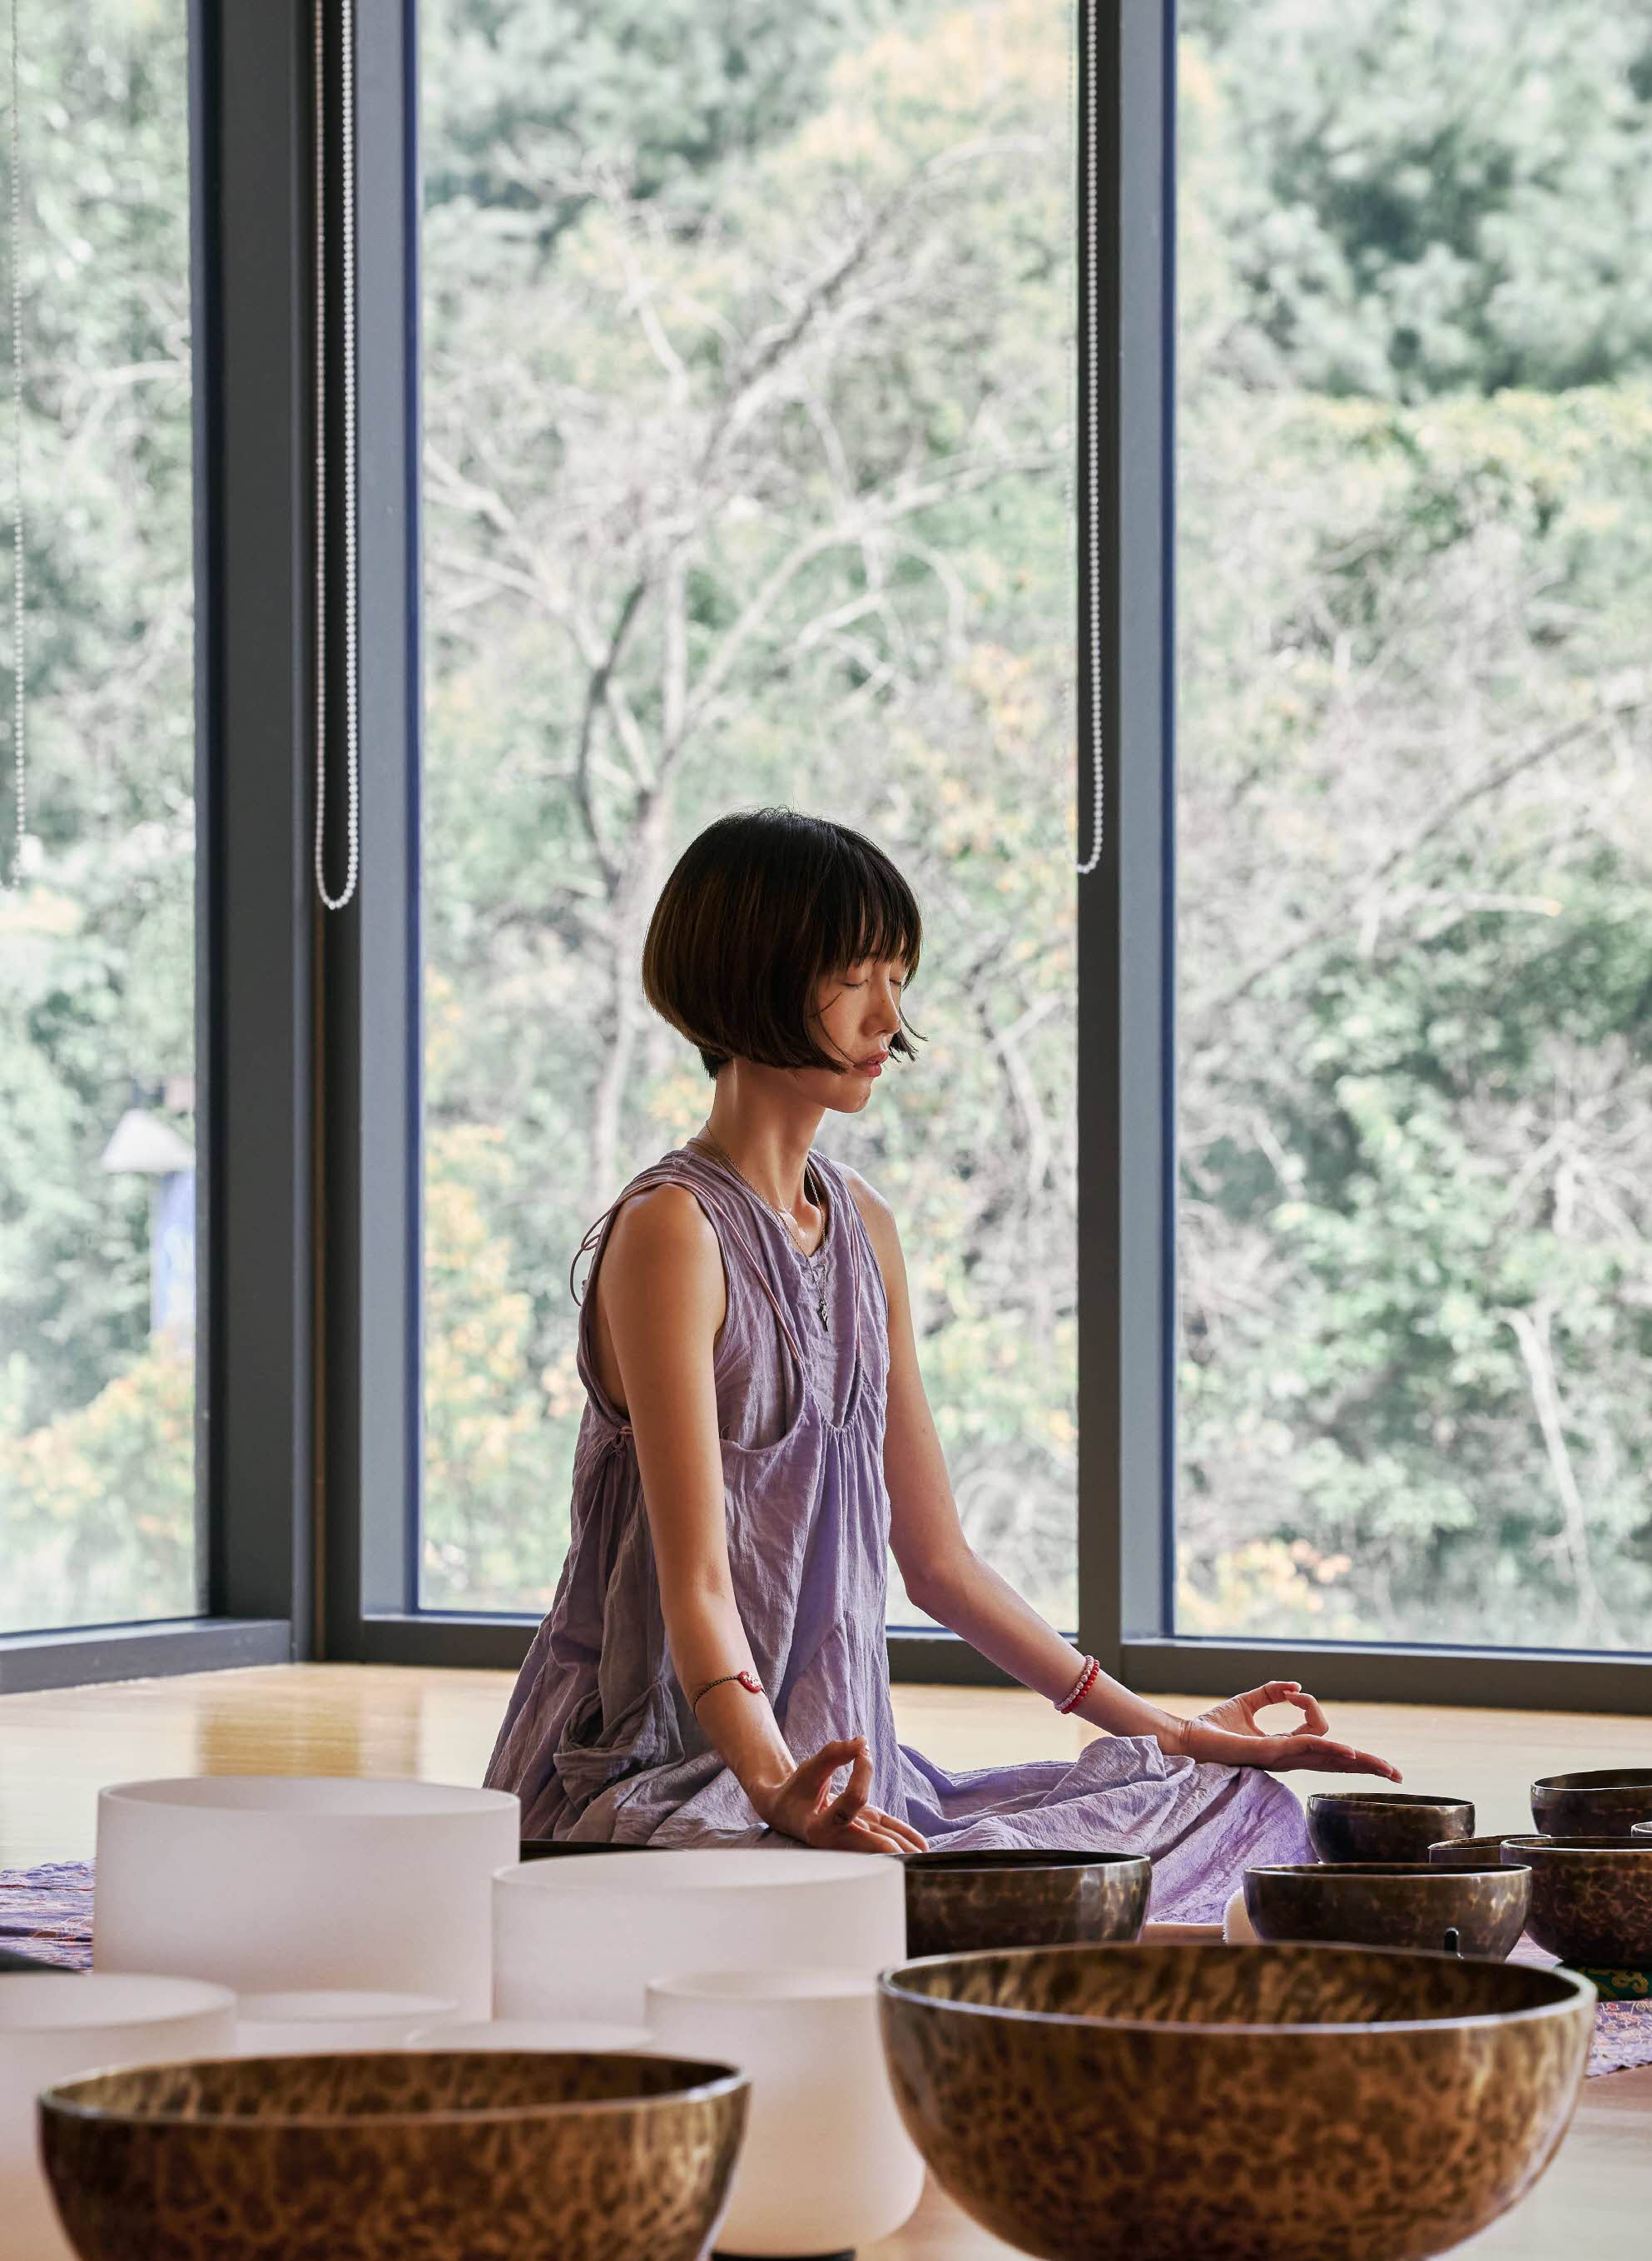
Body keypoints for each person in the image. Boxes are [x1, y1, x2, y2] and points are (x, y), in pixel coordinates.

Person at [484, 808, 1400, 1915]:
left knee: (1232, 1806)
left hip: (839, 1783)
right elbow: (699, 1588)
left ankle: (888, 1894)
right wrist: (776, 1786)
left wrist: (1167, 1724)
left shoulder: (863, 1224)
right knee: (834, 1902)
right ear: (754, 976)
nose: (890, 1016)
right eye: (854, 975)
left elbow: (940, 1564)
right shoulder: (672, 1231)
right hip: (669, 1791)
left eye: (898, 975)